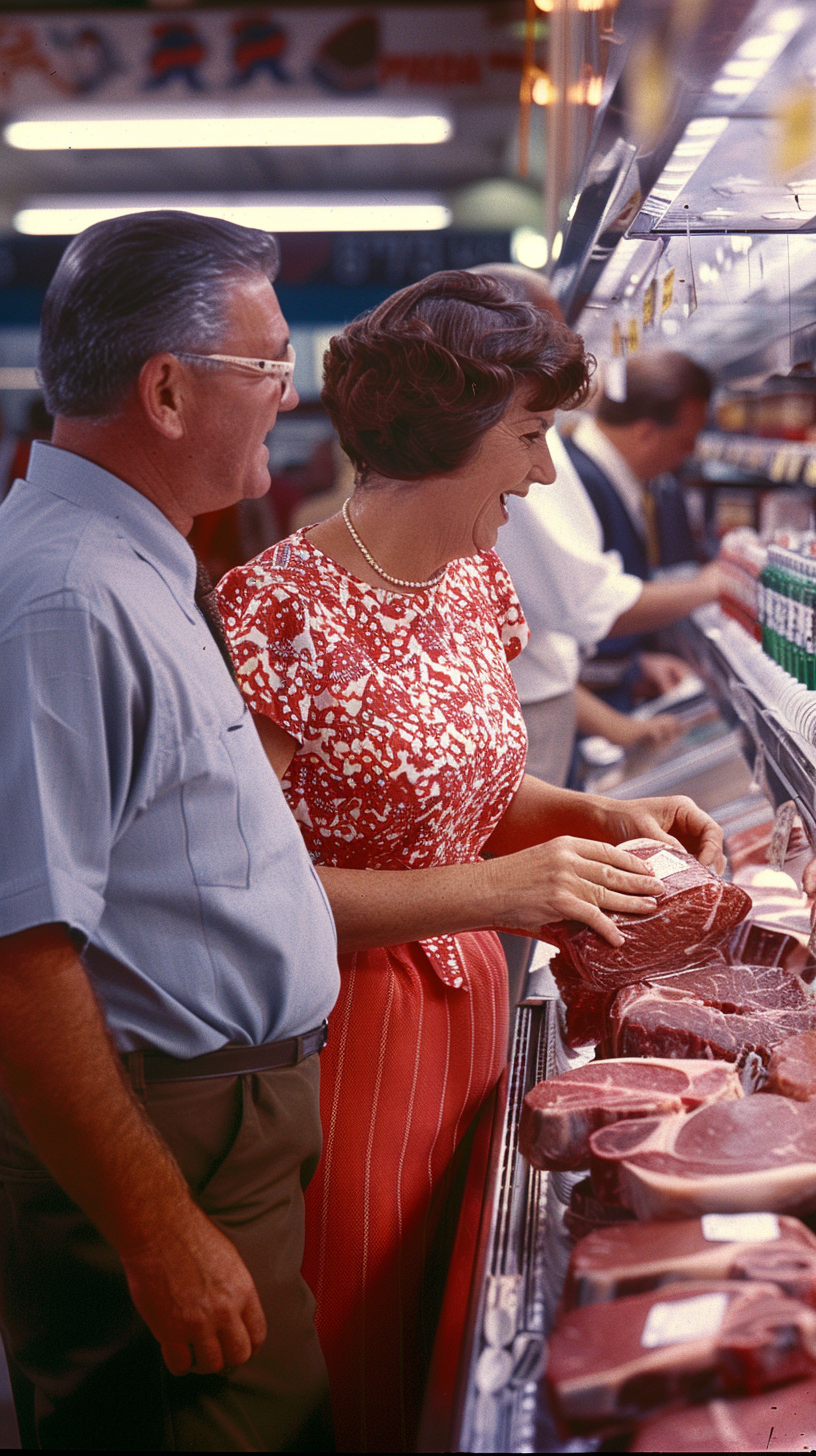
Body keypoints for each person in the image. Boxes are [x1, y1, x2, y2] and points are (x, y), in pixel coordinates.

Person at [217, 270, 724, 1452]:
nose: (545, 472)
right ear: (454, 436)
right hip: (340, 1036)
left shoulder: (477, 585)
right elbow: (254, 894)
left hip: (473, 1013)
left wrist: (603, 819)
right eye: (531, 437)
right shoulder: (276, 609)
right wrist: (503, 890)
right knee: (360, 1342)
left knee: (452, 1329)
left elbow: (468, 795)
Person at [0, 211, 340, 1451]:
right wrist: (158, 1229)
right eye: (267, 367)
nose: (286, 396)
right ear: (166, 388)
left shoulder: (139, 565)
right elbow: (20, 959)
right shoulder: (69, 596)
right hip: (162, 1148)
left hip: (215, 1133)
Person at [474, 264, 725, 784]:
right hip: (526, 720)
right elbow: (586, 609)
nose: (541, 467)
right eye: (554, 336)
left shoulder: (536, 447)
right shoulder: (532, 454)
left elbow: (534, 632)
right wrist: (715, 584)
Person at [564, 349, 714, 709]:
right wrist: (711, 585)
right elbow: (593, 607)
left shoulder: (613, 477)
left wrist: (633, 667)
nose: (686, 456)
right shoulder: (574, 480)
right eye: (685, 442)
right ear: (647, 432)